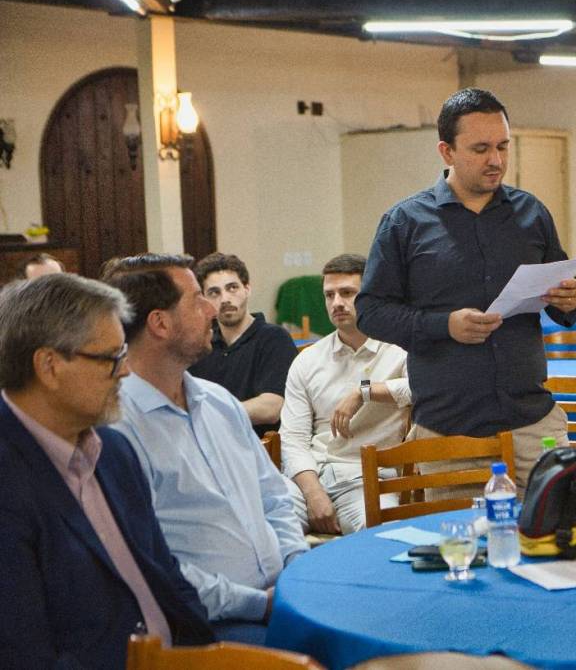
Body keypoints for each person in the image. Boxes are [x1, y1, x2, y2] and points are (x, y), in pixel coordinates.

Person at [356, 88, 576, 492]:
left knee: (558, 528)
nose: (496, 160)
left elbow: (561, 303)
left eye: (502, 146)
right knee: (458, 534)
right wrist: (444, 325)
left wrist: (570, 301)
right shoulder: (404, 222)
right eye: (480, 149)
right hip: (449, 430)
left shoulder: (532, 213)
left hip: (532, 422)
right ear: (446, 152)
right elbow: (371, 312)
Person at [0, 274, 213, 669]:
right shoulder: (9, 481)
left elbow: (167, 578)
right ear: (49, 366)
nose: (126, 372)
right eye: (112, 358)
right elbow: (24, 655)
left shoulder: (114, 451)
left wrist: (203, 656)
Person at [103, 254, 307, 642]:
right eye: (198, 299)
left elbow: (274, 496)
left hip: (281, 599)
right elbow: (155, 566)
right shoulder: (117, 428)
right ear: (160, 323)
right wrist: (259, 604)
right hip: (207, 625)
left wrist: (296, 568)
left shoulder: (219, 401)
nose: (212, 309)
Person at [280, 254, 411, 535]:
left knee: (385, 535)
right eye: (330, 295)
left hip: (366, 480)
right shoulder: (307, 360)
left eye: (348, 293)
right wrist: (314, 494)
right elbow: (293, 439)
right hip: (310, 479)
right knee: (266, 525)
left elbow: (423, 388)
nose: (337, 303)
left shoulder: (399, 349)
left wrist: (364, 391)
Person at [188, 252, 298, 437]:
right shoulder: (200, 344)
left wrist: (210, 415)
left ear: (247, 289)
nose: (225, 299)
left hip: (259, 445)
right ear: (204, 300)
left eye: (232, 288)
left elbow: (271, 408)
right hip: (208, 442)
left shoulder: (274, 338)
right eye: (214, 292)